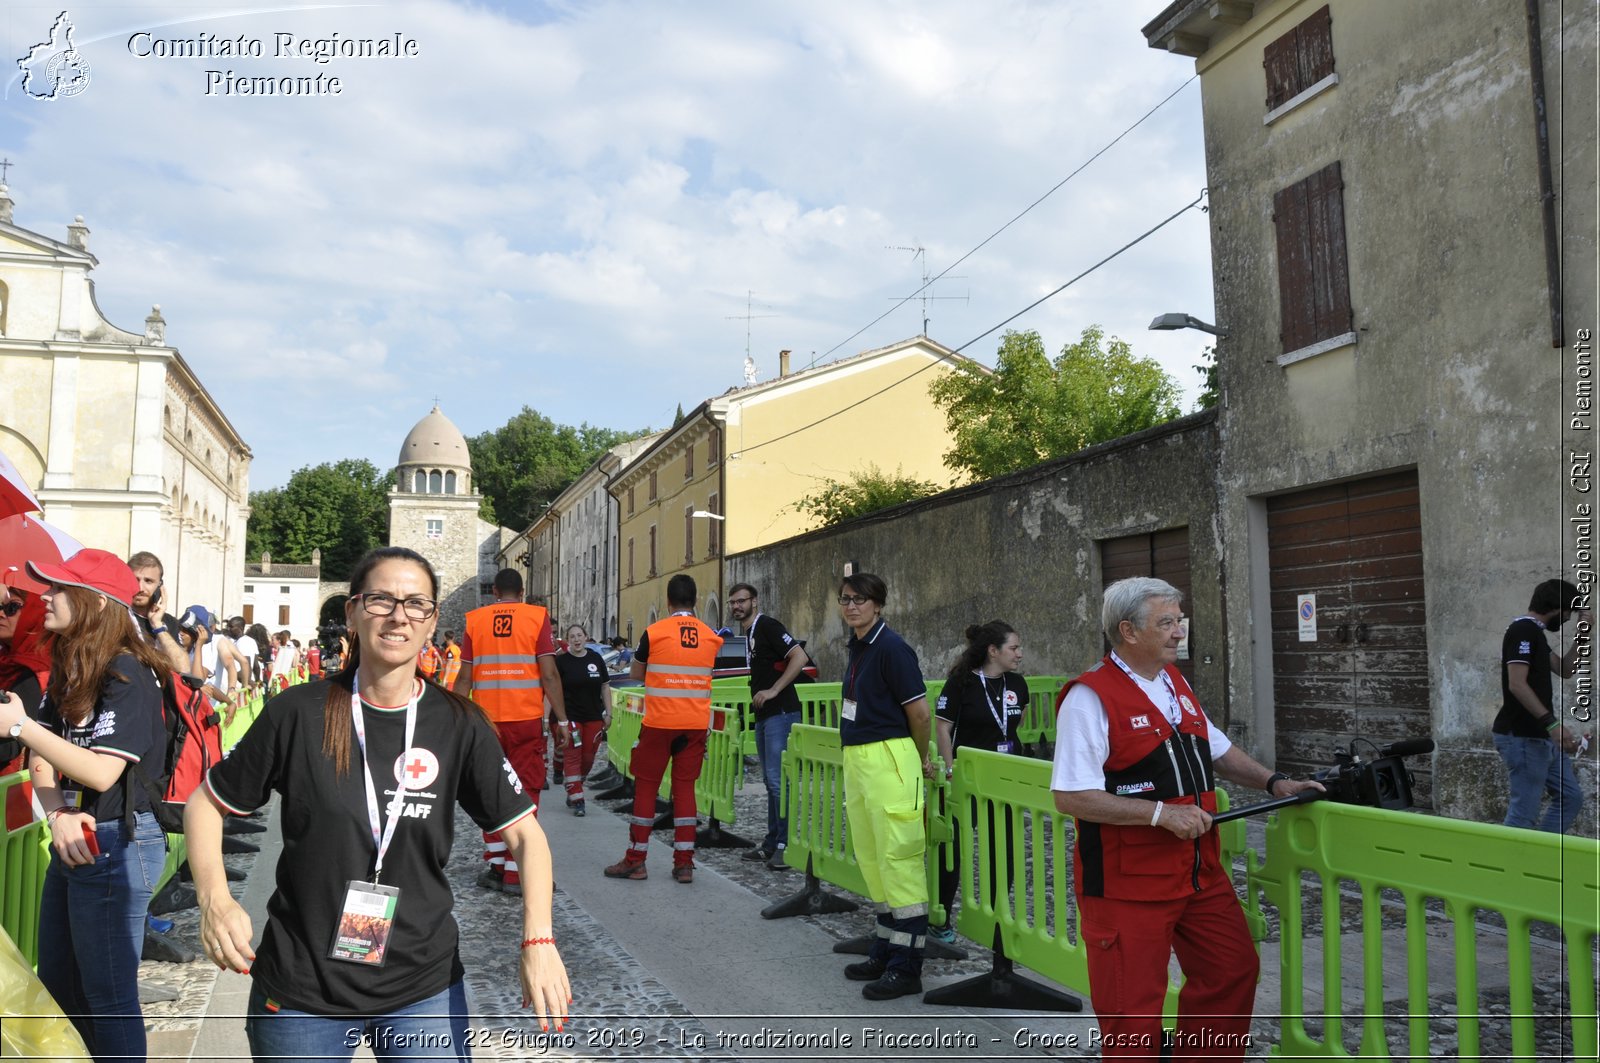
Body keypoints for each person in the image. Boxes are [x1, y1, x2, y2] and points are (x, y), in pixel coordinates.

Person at [184, 547, 570, 1058]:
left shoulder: (458, 724)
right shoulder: (297, 714)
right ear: (351, 612)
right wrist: (214, 900)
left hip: (421, 986)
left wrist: (539, 941)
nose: (398, 616)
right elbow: (204, 805)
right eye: (381, 599)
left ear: (432, 623)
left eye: (416, 605)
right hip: (303, 987)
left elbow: (527, 836)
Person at [1051, 577, 1323, 1062]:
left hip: (1198, 873)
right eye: (1167, 622)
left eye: (1180, 620)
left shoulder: (1174, 681)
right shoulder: (1089, 698)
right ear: (1128, 631)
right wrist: (1160, 814)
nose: (1180, 632)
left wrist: (1274, 782)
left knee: (1232, 969)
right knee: (1132, 1015)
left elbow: (1216, 747)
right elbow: (1072, 796)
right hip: (1125, 885)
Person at [0, 549, 170, 1062]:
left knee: (108, 998)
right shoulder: (74, 663)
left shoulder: (127, 672)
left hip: (121, 842)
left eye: (56, 588)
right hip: (79, 838)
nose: (43, 597)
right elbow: (42, 759)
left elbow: (99, 770)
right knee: (60, 986)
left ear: (95, 602)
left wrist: (20, 724)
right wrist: (57, 814)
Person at [835, 572, 934, 1001]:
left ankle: (907, 966)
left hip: (890, 759)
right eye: (845, 599)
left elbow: (921, 714)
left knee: (899, 860)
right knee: (873, 859)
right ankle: (884, 948)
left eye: (860, 599)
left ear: (878, 604)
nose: (852, 605)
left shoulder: (893, 648)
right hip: (859, 760)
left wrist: (919, 758)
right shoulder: (859, 646)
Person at [459, 568, 570, 895]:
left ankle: (497, 864)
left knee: (490, 789)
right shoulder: (536, 617)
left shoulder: (475, 620)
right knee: (527, 788)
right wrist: (562, 720)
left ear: (494, 591)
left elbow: (464, 678)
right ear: (521, 592)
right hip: (525, 720)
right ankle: (517, 872)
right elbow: (549, 676)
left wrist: (456, 717)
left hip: (485, 720)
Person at [604, 574, 721, 884]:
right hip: (695, 724)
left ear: (668, 602)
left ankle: (636, 860)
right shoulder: (711, 636)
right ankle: (684, 863)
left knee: (646, 787)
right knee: (685, 790)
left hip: (659, 722)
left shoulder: (655, 633)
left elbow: (637, 673)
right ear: (695, 601)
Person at [929, 620, 1026, 945]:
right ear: (993, 651)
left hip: (1005, 780)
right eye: (1014, 648)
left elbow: (1013, 727)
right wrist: (951, 767)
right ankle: (939, 916)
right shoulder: (961, 683)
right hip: (968, 779)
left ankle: (995, 915)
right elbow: (943, 727)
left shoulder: (1017, 684)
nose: (1019, 654)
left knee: (1004, 849)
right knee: (952, 847)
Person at [1494, 578, 1590, 832]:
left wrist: (1582, 634)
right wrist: (1553, 724)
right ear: (1558, 607)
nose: (1568, 618)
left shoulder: (1535, 633)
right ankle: (1509, 868)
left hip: (1540, 737)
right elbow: (1517, 683)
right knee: (1523, 815)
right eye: (1569, 612)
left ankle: (1540, 855)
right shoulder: (1522, 630)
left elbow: (1565, 669)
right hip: (1523, 736)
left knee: (1570, 797)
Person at [727, 582, 807, 870]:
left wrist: (774, 689)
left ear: (755, 601)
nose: (737, 606)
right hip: (765, 716)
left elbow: (799, 656)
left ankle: (784, 846)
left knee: (777, 781)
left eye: (742, 601)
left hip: (781, 712)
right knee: (769, 781)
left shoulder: (768, 625)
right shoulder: (749, 632)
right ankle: (772, 842)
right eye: (733, 602)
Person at [554, 625, 610, 816]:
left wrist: (608, 713)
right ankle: (578, 798)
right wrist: (549, 718)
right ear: (568, 640)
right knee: (573, 755)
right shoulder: (562, 662)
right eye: (572, 637)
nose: (576, 639)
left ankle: (575, 785)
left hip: (594, 716)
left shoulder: (596, 659)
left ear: (586, 637)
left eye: (579, 635)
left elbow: (605, 687)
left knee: (588, 757)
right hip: (571, 717)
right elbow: (553, 690)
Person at [0, 568, 52, 775]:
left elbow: (11, 744)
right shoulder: (6, 659)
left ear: (34, 613)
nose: (2, 614)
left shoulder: (36, 670)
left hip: (14, 793)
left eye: (12, 607)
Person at [127, 550, 189, 674]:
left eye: (148, 581)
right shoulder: (116, 616)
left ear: (160, 586)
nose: (140, 588)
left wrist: (157, 625)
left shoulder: (168, 622)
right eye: (135, 580)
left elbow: (183, 668)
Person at [228, 616, 260, 686]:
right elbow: (256, 665)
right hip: (246, 683)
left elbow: (246, 664)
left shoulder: (243, 642)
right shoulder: (250, 640)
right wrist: (258, 680)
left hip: (242, 685)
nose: (229, 629)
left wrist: (248, 682)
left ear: (240, 628)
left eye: (231, 627)